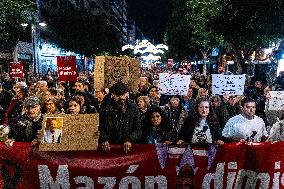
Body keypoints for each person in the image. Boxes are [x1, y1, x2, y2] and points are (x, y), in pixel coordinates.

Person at [99, 82, 142, 153]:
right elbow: (100, 127)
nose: (122, 97)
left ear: (127, 94)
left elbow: (138, 128)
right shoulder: (105, 107)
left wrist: (129, 140)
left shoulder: (133, 108)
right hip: (109, 148)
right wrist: (104, 139)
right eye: (119, 95)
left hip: (127, 148)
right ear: (113, 95)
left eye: (124, 94)